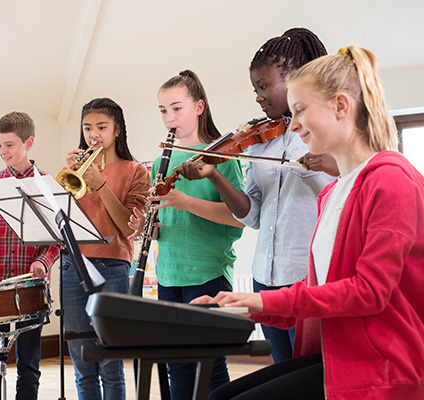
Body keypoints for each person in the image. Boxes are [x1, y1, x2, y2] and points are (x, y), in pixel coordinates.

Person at [194, 45, 424, 399]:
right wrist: (238, 308)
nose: (294, 123)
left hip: (382, 367)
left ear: (341, 106)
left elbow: (369, 293)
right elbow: (318, 304)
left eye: (301, 110)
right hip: (336, 356)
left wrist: (261, 303)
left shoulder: (392, 179)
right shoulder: (331, 195)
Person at [178, 28, 335, 363]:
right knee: (282, 372)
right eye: (255, 89)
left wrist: (318, 166)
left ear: (294, 79)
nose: (258, 97)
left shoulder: (323, 131)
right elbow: (253, 215)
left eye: (264, 86)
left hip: (308, 277)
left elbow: (347, 187)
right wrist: (216, 175)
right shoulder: (261, 140)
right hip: (266, 276)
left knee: (310, 375)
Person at [129, 70, 245, 399]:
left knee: (210, 364)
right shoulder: (160, 162)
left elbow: (239, 218)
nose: (169, 118)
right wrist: (145, 229)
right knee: (176, 365)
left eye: (177, 108)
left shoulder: (223, 155)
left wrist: (185, 202)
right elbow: (167, 222)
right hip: (169, 273)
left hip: (207, 271)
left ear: (199, 107)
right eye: (163, 111)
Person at [61, 98, 150, 400]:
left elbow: (128, 227)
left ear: (117, 130)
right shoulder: (73, 170)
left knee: (110, 362)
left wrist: (100, 185)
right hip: (73, 264)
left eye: (101, 126)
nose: (93, 133)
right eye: (87, 127)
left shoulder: (135, 170)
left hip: (113, 265)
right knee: (82, 360)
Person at [0, 111, 61, 400]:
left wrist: (42, 261)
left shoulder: (48, 185)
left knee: (28, 363)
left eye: (9, 144)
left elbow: (58, 239)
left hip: (31, 286)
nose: (2, 152)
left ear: (28, 142)